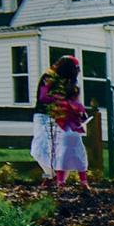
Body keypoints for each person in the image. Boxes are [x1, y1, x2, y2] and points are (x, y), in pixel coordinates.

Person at [41, 56, 89, 186]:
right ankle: (82, 181)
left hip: (63, 124)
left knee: (62, 153)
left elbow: (44, 97)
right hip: (67, 124)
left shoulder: (62, 85)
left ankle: (59, 180)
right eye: (76, 68)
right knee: (77, 153)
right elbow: (44, 98)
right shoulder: (62, 84)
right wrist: (78, 111)